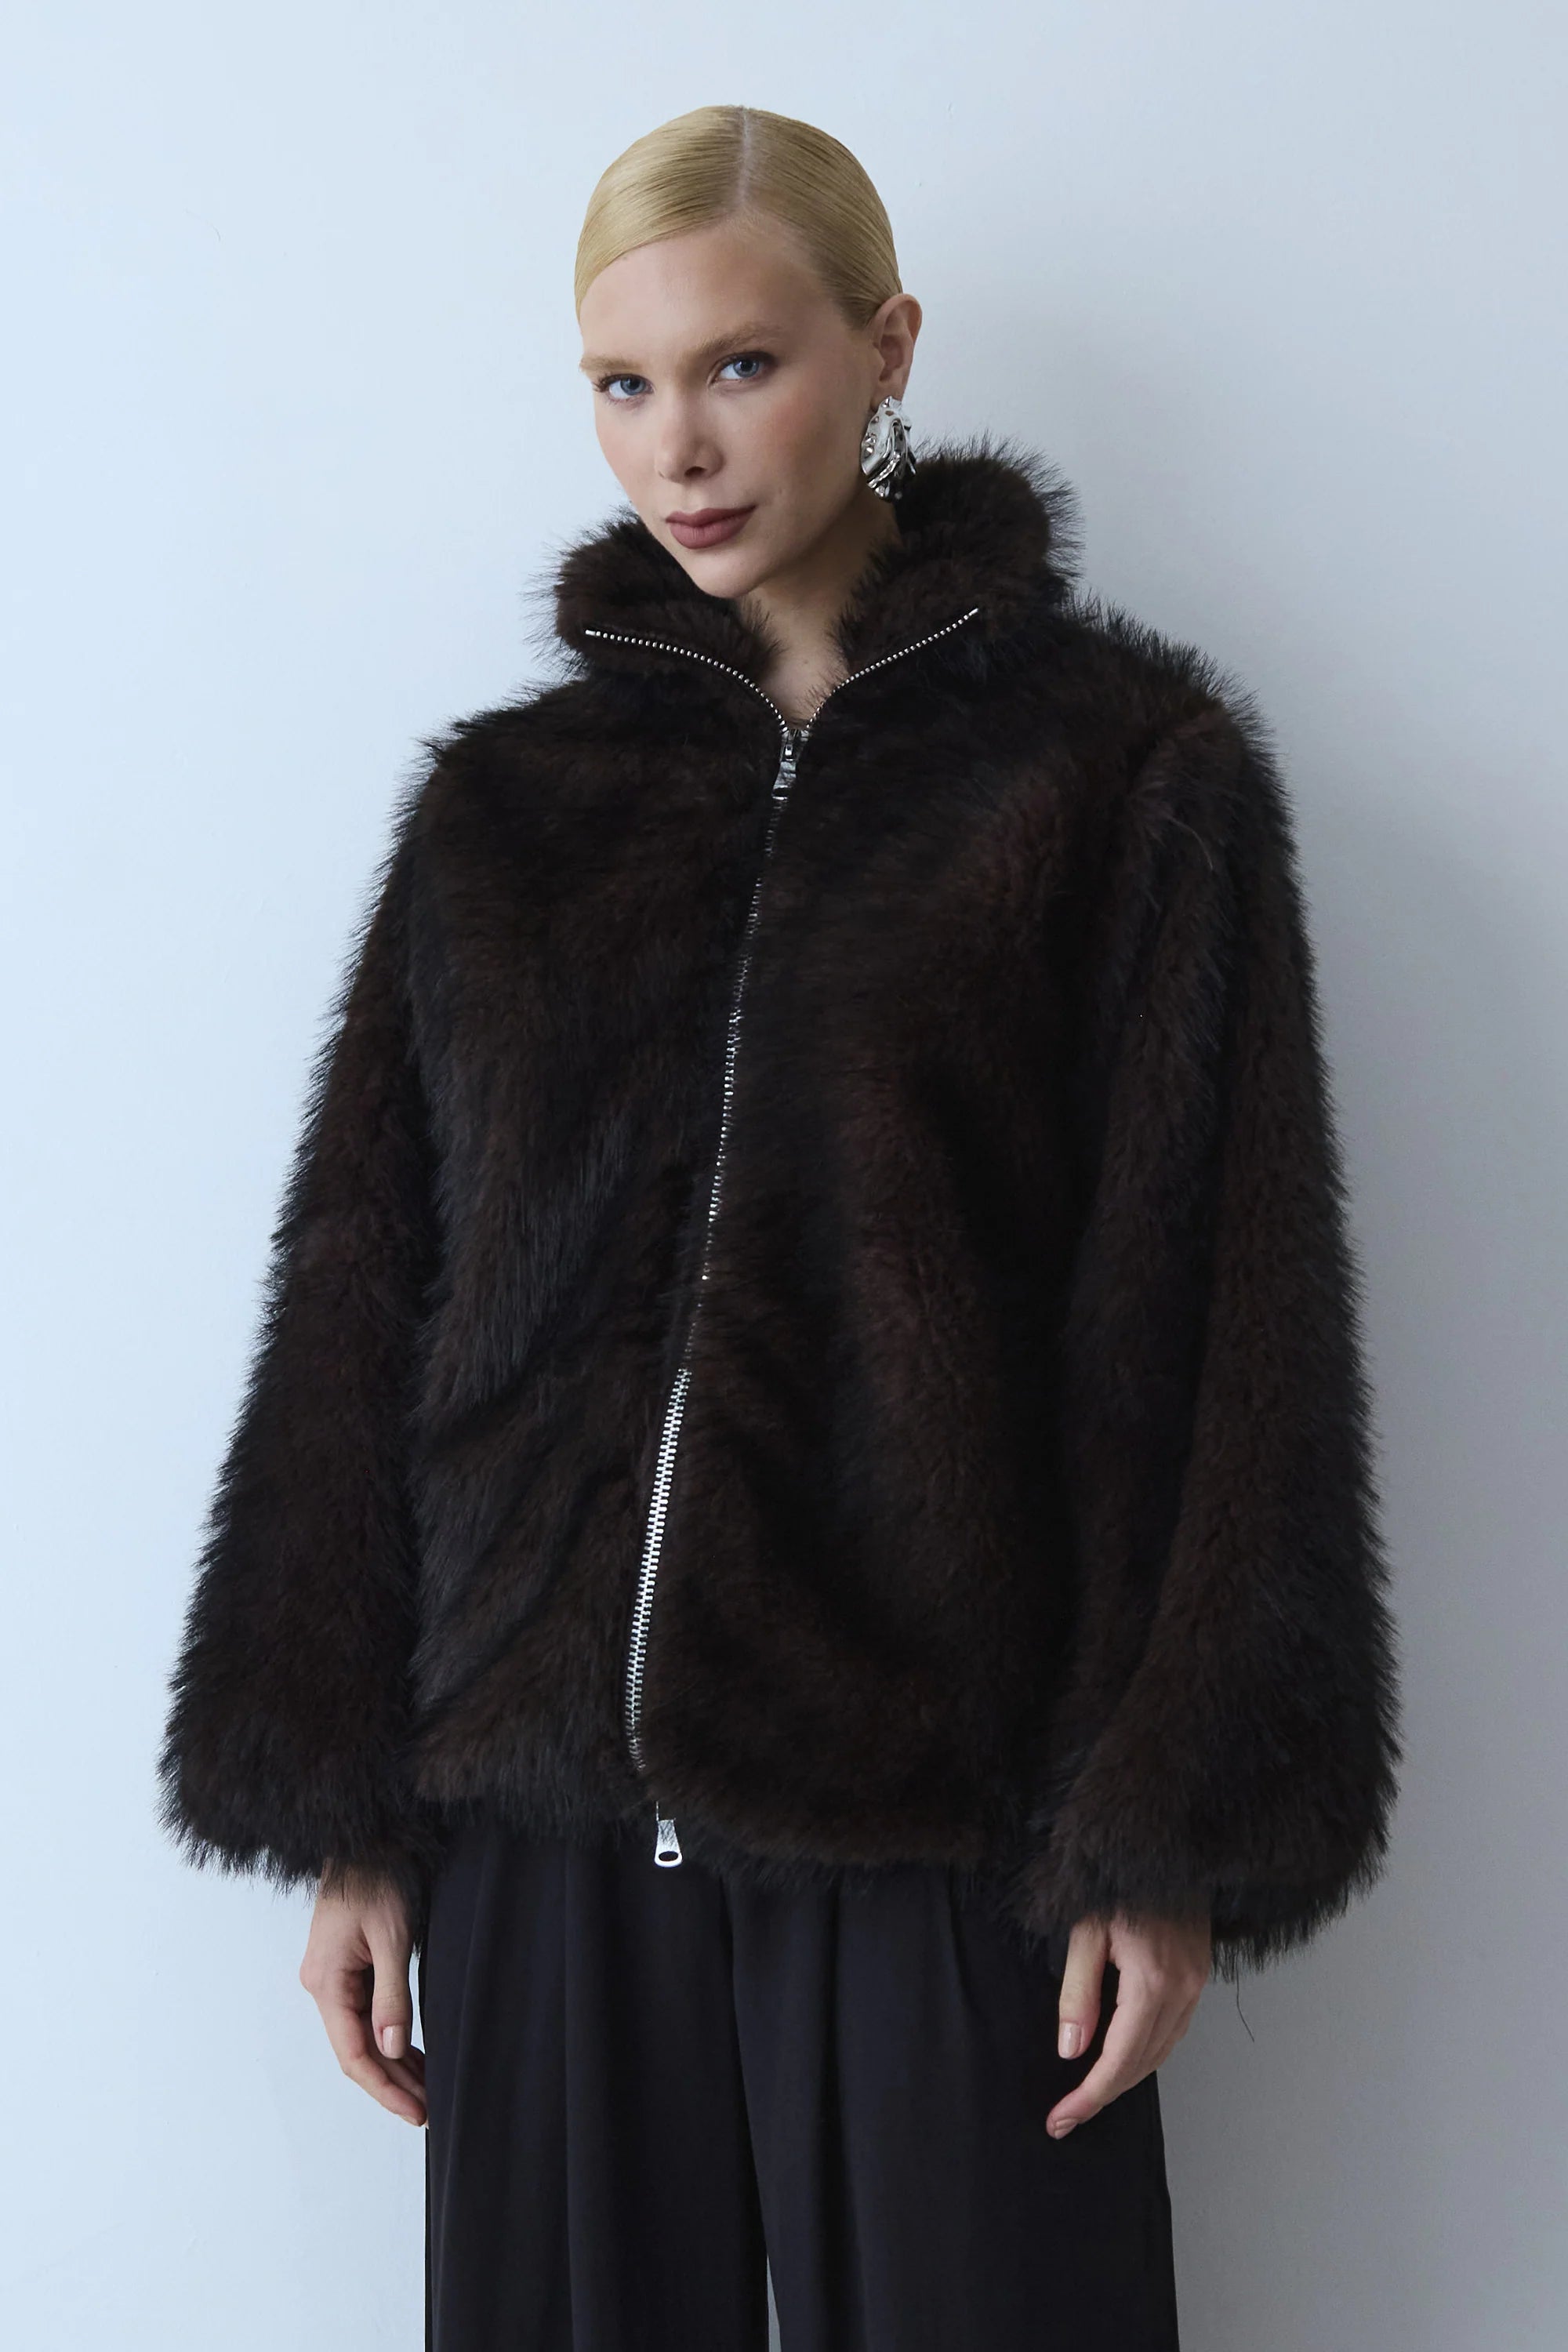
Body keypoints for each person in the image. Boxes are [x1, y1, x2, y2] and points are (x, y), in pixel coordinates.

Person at [158, 103, 1402, 2351]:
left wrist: (1162, 1830)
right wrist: (345, 1803)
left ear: (887, 346)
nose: (682, 445)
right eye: (623, 384)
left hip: (942, 1812)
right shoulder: (504, 814)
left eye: (743, 364)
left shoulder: (1122, 780)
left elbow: (1216, 1325)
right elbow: (361, 1294)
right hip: (538, 1819)